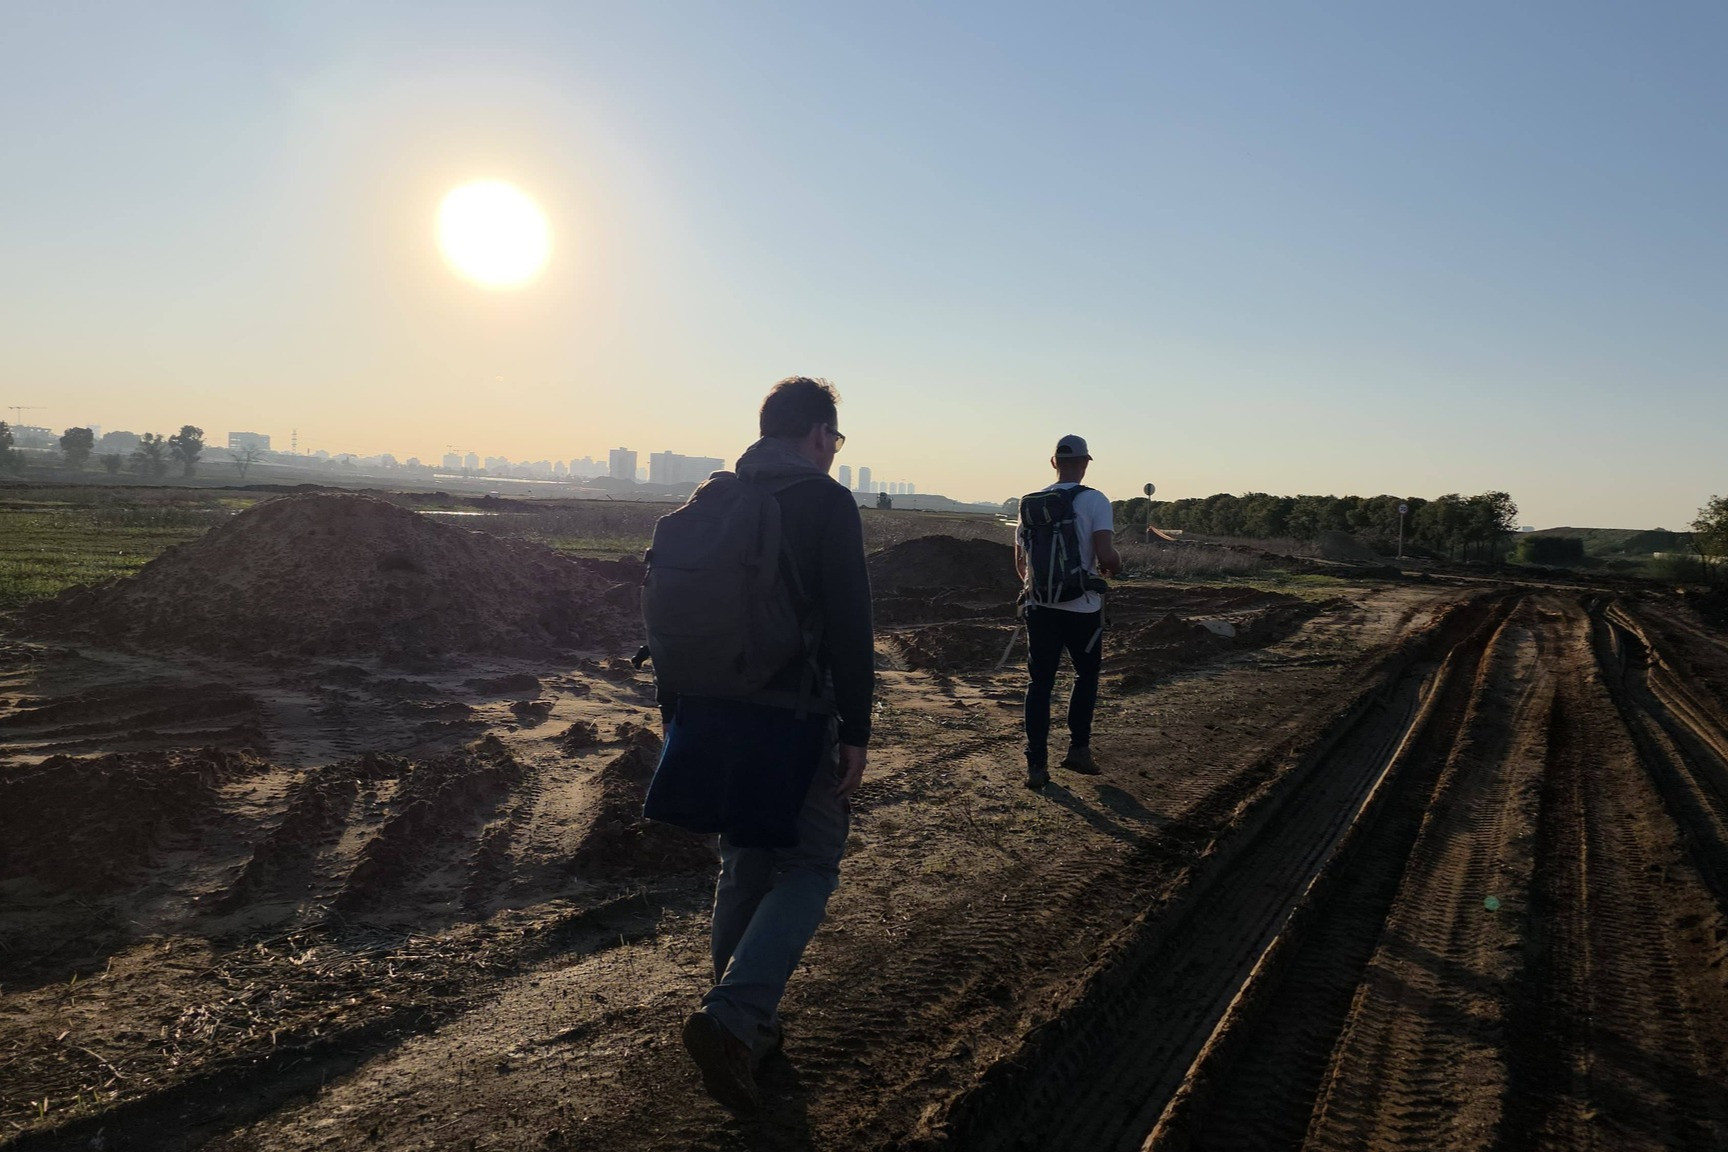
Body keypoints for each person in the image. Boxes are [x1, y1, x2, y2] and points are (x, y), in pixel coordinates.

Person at [645, 376, 874, 1114]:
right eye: (834, 442)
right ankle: (734, 1020)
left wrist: (674, 706)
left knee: (743, 858)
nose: (833, 455)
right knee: (809, 863)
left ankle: (749, 1022)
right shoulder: (824, 501)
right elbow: (849, 626)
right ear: (817, 434)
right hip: (791, 716)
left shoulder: (715, 496)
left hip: (708, 707)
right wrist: (859, 734)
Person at [1015, 434, 1121, 789]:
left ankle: (1036, 765)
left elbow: (1020, 562)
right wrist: (1113, 567)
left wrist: (1043, 589)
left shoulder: (1031, 503)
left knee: (1039, 684)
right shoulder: (1095, 500)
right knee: (1085, 675)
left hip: (1039, 607)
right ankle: (1078, 750)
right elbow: (1106, 556)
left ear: (1053, 463)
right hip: (1082, 607)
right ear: (1086, 462)